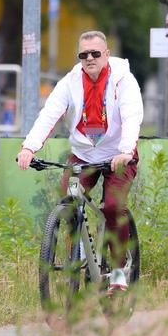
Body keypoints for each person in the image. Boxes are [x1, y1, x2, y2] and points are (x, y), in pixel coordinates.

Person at [17, 30, 143, 293]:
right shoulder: (70, 81)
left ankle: (119, 269)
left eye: (95, 53)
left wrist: (126, 149)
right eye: (83, 54)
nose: (89, 58)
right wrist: (29, 147)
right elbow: (48, 115)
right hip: (84, 154)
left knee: (112, 207)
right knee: (67, 198)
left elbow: (132, 115)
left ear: (107, 54)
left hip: (118, 154)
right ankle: (80, 253)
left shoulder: (123, 80)